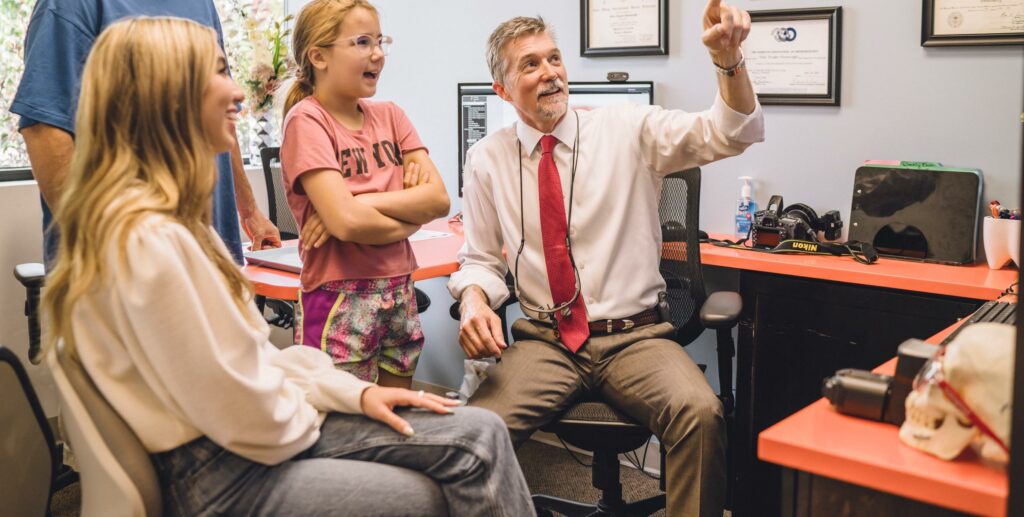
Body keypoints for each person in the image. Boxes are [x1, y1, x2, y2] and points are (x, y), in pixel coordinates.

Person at [41, 16, 532, 516]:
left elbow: (251, 367)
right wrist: (331, 416)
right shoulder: (147, 244)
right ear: (166, 98)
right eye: (217, 73)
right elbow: (241, 410)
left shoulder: (178, 225)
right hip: (227, 470)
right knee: (462, 457)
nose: (237, 92)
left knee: (481, 428)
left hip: (250, 434)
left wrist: (355, 398)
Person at [448, 2, 764, 515]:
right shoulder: (487, 159)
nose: (549, 72)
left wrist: (728, 61)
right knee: (474, 436)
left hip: (636, 338)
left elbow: (733, 132)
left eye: (554, 58)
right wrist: (475, 301)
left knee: (701, 413)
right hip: (546, 340)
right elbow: (480, 257)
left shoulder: (627, 131)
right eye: (529, 64)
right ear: (502, 91)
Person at [11, 0, 280, 264]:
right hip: (124, 252)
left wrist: (250, 210)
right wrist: (95, 247)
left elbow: (221, 109)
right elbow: (44, 127)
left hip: (205, 234)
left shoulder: (201, 4)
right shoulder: (70, 5)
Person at [280, 0, 450, 387]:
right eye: (361, 42)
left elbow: (438, 201)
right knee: (344, 427)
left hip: (400, 287)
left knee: (394, 417)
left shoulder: (391, 115)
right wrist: (409, 218)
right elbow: (346, 223)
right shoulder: (307, 121)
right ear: (319, 56)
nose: (376, 54)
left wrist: (359, 201)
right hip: (339, 294)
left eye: (379, 41)